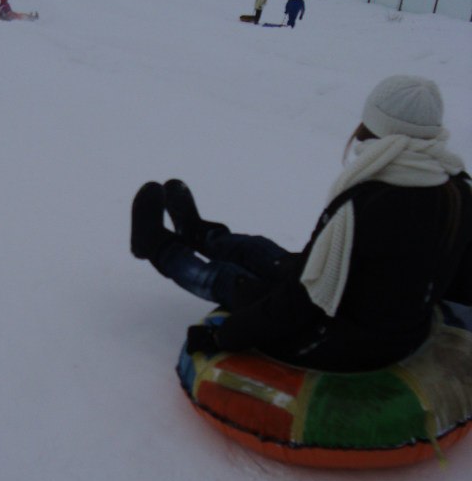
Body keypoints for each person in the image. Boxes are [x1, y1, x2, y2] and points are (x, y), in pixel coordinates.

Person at [130, 76, 472, 373]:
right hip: (387, 322)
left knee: (237, 284)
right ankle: (201, 234)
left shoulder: (368, 202)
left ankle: (157, 246)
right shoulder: (456, 187)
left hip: (343, 342)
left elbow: (300, 304)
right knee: (268, 254)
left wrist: (223, 336)